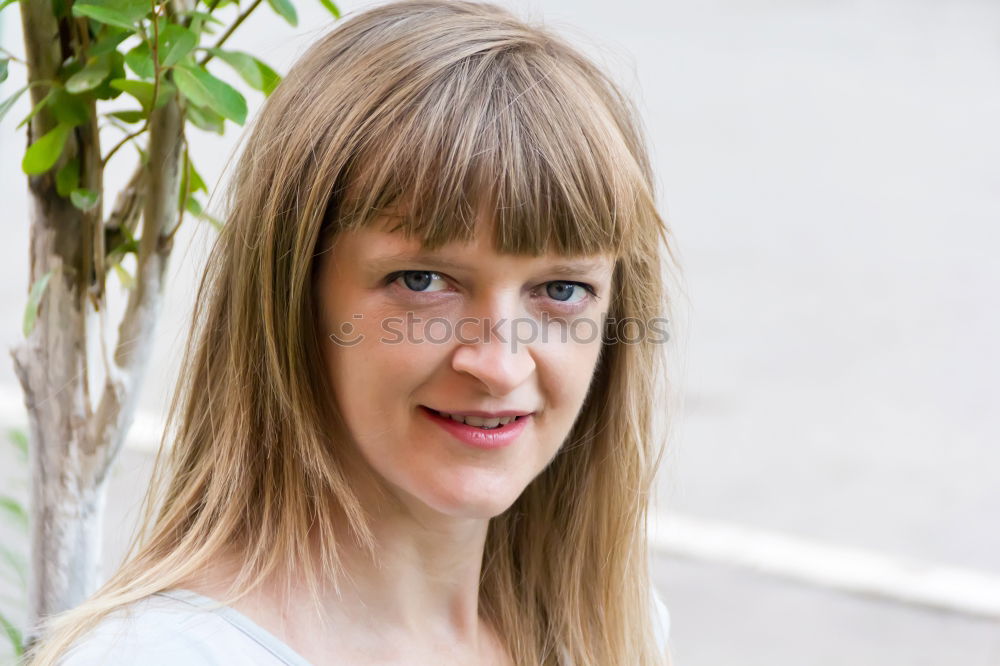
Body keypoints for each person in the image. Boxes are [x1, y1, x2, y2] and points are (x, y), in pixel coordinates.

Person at [26, 0, 678, 663]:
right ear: (291, 296)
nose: (500, 365)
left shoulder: (612, 630)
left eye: (562, 290)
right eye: (423, 281)